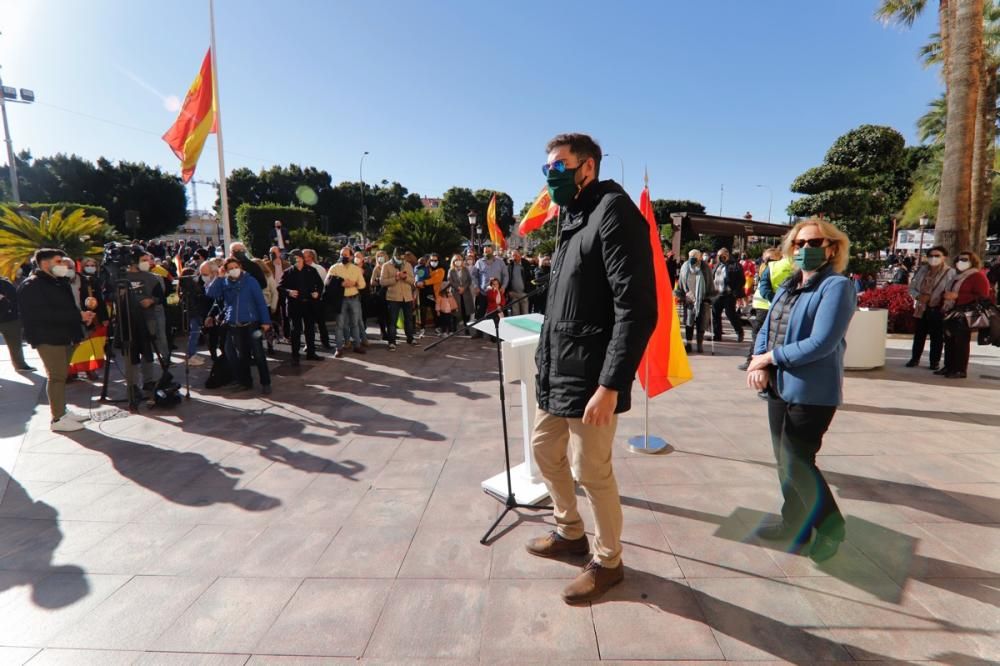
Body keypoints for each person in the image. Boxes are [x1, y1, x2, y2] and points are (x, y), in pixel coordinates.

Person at [526, 133, 657, 604]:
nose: (550, 176)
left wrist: (610, 384)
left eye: (558, 166)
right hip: (556, 370)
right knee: (544, 451)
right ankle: (569, 532)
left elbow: (638, 309)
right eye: (546, 168)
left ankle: (608, 561)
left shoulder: (614, 212)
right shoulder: (572, 217)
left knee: (592, 471)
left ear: (588, 167)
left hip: (592, 378)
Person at [746, 218, 856, 563]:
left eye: (814, 243)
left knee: (798, 461)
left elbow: (822, 342)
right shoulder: (788, 285)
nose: (805, 249)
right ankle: (794, 523)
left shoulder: (836, 286)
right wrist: (760, 362)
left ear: (832, 248)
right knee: (784, 460)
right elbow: (767, 327)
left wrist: (770, 356)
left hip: (812, 391)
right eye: (799, 243)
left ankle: (830, 525)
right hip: (778, 386)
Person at [17, 249, 94, 432]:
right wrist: (78, 316)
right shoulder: (32, 285)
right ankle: (58, 418)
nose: (64, 265)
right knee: (57, 376)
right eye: (58, 261)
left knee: (61, 374)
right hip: (48, 337)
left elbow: (66, 307)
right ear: (44, 263)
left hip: (64, 335)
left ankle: (62, 411)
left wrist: (80, 316)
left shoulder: (58, 282)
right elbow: (42, 314)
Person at [206, 257, 273, 394]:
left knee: (258, 354)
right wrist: (219, 277)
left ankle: (265, 382)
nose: (233, 270)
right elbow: (211, 293)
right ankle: (246, 382)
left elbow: (260, 302)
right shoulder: (224, 282)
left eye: (235, 267)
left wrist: (266, 321)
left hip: (251, 323)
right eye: (230, 268)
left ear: (240, 267)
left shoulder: (251, 281)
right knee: (242, 356)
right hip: (234, 324)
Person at [938, 250, 991, 379]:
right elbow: (948, 292)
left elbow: (983, 296)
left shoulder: (977, 276)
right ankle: (948, 366)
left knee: (961, 342)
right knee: (949, 340)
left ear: (972, 262)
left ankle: (960, 369)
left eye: (965, 260)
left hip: (966, 313)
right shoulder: (956, 276)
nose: (961, 262)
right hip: (952, 311)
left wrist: (958, 296)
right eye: (959, 260)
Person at [738, 248, 793, 370]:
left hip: (767, 307)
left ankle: (754, 361)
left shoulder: (772, 267)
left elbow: (764, 289)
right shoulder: (795, 267)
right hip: (769, 307)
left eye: (769, 258)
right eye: (765, 258)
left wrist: (777, 302)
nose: (767, 261)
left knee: (760, 336)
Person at [907, 246, 955, 370]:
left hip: (938, 309)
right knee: (919, 335)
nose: (934, 258)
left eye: (937, 255)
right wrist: (918, 296)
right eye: (931, 256)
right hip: (921, 308)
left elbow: (952, 292)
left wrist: (944, 304)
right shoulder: (922, 270)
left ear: (944, 257)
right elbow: (911, 288)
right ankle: (914, 358)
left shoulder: (950, 273)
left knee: (937, 337)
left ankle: (934, 362)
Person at [279, 249, 324, 365]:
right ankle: (295, 356)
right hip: (295, 306)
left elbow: (320, 284)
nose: (293, 259)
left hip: (309, 304)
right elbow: (280, 287)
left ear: (301, 258)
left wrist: (317, 292)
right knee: (295, 331)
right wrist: (289, 292)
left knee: (310, 330)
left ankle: (311, 353)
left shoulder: (311, 270)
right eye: (291, 258)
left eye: (295, 257)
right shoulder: (288, 272)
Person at [330, 246, 367, 355]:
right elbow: (328, 283)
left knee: (355, 324)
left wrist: (353, 283)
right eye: (341, 255)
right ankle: (339, 348)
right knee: (340, 325)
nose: (343, 257)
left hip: (354, 299)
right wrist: (341, 284)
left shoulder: (356, 269)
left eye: (346, 255)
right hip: (340, 300)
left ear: (351, 257)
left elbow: (363, 285)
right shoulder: (334, 268)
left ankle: (357, 346)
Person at [677, 249, 714, 353]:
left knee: (701, 322)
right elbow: (681, 281)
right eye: (691, 257)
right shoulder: (685, 266)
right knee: (689, 323)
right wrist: (682, 295)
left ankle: (699, 344)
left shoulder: (705, 267)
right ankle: (688, 344)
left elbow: (710, 283)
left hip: (702, 299)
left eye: (695, 257)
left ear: (700, 257)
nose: (693, 259)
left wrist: (709, 298)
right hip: (689, 298)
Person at [469, 243, 508, 338]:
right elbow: (474, 276)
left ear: (492, 251)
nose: (487, 252)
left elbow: (506, 275)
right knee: (480, 313)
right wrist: (476, 286)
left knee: (496, 314)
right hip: (483, 293)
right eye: (486, 251)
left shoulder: (500, 262)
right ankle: (479, 333)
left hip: (496, 294)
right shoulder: (479, 262)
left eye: (489, 251)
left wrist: (503, 286)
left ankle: (495, 335)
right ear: (483, 252)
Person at [380, 252, 417, 351]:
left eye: (402, 258)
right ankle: (392, 342)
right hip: (393, 298)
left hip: (407, 297)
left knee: (408, 319)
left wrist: (405, 277)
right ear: (394, 256)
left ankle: (410, 338)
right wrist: (395, 278)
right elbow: (382, 282)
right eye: (398, 257)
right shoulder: (386, 265)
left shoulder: (407, 265)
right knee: (392, 321)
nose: (400, 259)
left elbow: (413, 280)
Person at [711, 248, 745, 342]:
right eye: (718, 255)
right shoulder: (717, 265)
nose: (720, 257)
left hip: (728, 294)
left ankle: (739, 332)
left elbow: (741, 280)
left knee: (730, 314)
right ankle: (717, 335)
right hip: (717, 294)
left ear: (727, 254)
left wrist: (735, 290)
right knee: (715, 315)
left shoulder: (735, 265)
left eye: (722, 255)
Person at [0, 275, 34, 371]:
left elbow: (16, 301)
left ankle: (20, 365)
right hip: (9, 318)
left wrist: (4, 299)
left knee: (16, 345)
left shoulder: (6, 284)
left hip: (11, 320)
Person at [302, 249, 331, 349]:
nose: (304, 258)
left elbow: (324, 283)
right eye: (303, 256)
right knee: (307, 325)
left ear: (311, 257)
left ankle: (325, 342)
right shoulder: (300, 269)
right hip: (306, 301)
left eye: (306, 256)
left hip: (318, 300)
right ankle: (308, 344)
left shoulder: (319, 268)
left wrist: (319, 294)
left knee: (321, 323)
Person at [254, 259, 280, 355]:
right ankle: (258, 347)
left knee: (268, 328)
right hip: (254, 307)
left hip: (266, 305)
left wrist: (273, 306)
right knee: (256, 328)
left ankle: (270, 346)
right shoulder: (250, 278)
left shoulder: (268, 277)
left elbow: (274, 292)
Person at [447, 254, 474, 333]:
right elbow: (450, 281)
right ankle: (454, 328)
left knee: (466, 311)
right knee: (455, 311)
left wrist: (464, 288)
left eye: (459, 259)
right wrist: (458, 287)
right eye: (456, 260)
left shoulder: (465, 269)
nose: (458, 261)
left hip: (465, 293)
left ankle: (467, 328)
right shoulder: (451, 270)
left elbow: (469, 280)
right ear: (453, 261)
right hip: (456, 293)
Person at [507, 249, 532, 316]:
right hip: (513, 294)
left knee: (525, 313)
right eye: (513, 256)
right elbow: (507, 278)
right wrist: (509, 291)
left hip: (524, 293)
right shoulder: (510, 265)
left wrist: (528, 291)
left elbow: (530, 278)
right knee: (515, 314)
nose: (514, 257)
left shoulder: (525, 264)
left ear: (520, 255)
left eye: (516, 255)